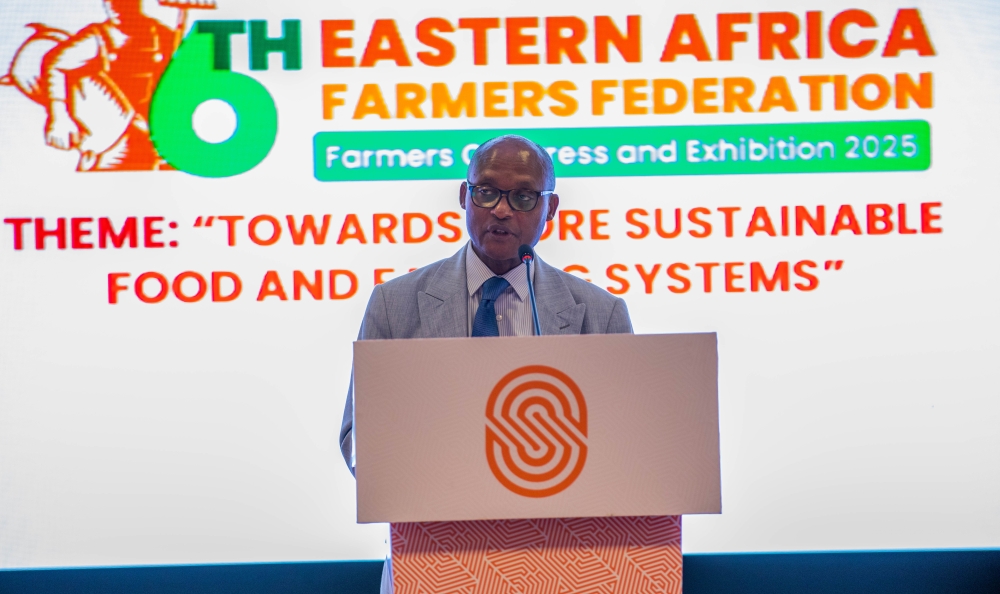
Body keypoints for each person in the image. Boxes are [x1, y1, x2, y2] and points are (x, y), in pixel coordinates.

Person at [338, 134, 634, 593]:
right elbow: (357, 441)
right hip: (433, 559)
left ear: (550, 210)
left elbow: (626, 448)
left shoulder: (599, 313)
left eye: (523, 197)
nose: (501, 210)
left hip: (563, 564)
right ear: (464, 195)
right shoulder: (395, 305)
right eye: (487, 191)